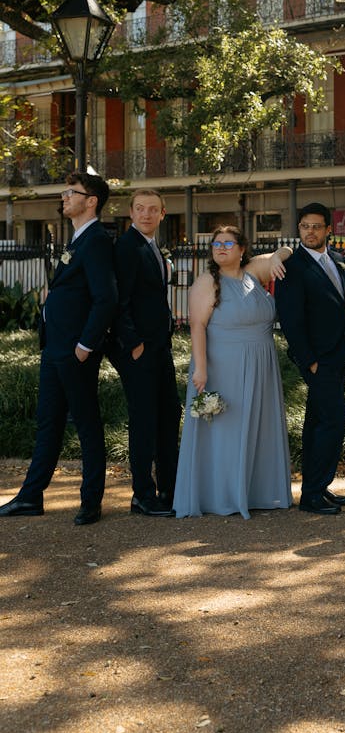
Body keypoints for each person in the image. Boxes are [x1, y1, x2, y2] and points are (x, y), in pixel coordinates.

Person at [0, 172, 117, 526]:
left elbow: (106, 298)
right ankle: (30, 497)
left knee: (86, 424)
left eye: (71, 192)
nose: (64, 196)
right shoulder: (76, 239)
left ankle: (90, 501)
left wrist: (85, 345)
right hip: (54, 347)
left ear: (91, 200)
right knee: (48, 423)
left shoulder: (96, 240)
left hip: (74, 351)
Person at [173, 226, 292, 518]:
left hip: (261, 365)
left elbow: (289, 250)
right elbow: (197, 327)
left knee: (257, 425)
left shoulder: (253, 272)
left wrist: (277, 256)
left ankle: (255, 491)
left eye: (228, 243)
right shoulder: (206, 282)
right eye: (216, 244)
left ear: (242, 249)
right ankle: (221, 494)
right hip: (222, 365)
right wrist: (200, 369)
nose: (221, 248)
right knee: (226, 430)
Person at [274, 203, 345, 515]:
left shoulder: (337, 259)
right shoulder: (292, 267)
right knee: (334, 420)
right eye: (305, 226)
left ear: (327, 230)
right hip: (318, 360)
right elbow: (291, 320)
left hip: (340, 354)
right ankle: (311, 495)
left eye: (316, 226)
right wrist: (309, 361)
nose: (310, 231)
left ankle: (318, 487)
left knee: (317, 423)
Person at [109, 189, 180, 517]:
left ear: (163, 213)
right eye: (140, 209)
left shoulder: (151, 246)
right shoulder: (126, 247)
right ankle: (142, 495)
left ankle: (169, 488)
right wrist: (133, 343)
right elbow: (118, 301)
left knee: (168, 416)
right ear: (132, 213)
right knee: (144, 422)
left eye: (153, 209)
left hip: (159, 347)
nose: (146, 214)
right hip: (139, 351)